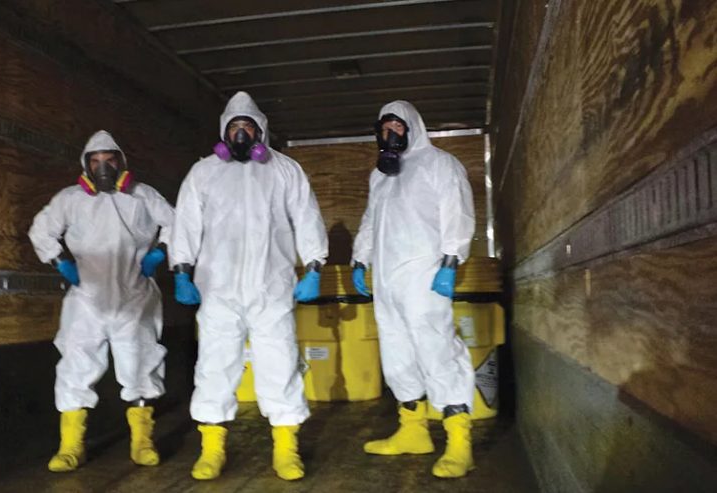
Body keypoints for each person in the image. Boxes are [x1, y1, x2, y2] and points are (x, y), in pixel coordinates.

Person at [170, 91, 328, 481]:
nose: (241, 133)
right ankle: (212, 449)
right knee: (214, 365)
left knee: (280, 363)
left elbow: (306, 217)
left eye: (248, 126)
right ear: (224, 131)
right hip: (218, 287)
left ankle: (286, 448)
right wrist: (181, 269)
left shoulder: (285, 170)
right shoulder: (204, 172)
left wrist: (314, 265)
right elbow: (186, 222)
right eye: (234, 127)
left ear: (261, 132)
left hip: (271, 285)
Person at [28, 130, 174, 472]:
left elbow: (179, 223)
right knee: (75, 366)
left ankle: (142, 442)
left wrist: (160, 252)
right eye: (95, 161)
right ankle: (71, 447)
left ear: (121, 162)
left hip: (134, 295)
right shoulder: (70, 199)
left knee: (140, 364)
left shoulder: (143, 195)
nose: (103, 167)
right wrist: (59, 260)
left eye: (109, 160)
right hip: (87, 298)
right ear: (85, 165)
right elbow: (41, 231)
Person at [351, 101, 477, 478]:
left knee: (436, 348)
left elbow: (457, 213)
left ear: (413, 127)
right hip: (387, 279)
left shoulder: (440, 164)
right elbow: (370, 221)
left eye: (398, 127)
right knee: (396, 352)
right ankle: (413, 431)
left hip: (425, 274)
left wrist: (451, 261)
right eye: (385, 128)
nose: (391, 133)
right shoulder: (380, 176)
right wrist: (360, 259)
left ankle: (459, 442)